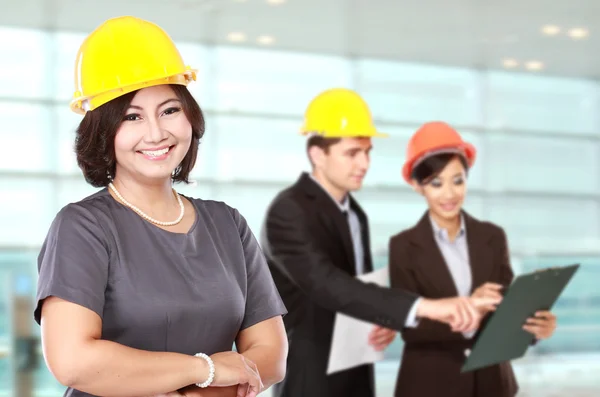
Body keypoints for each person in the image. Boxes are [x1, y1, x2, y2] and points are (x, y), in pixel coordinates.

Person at [33, 16, 288, 397]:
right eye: (132, 117)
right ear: (103, 133)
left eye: (169, 110)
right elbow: (73, 361)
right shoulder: (83, 226)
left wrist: (194, 394)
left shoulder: (227, 223)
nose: (156, 133)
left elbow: (271, 356)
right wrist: (207, 369)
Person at [259, 88, 500, 397]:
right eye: (352, 153)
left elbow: (360, 287)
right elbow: (330, 285)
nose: (364, 163)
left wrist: (381, 319)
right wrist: (425, 307)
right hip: (311, 376)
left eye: (368, 151)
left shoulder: (355, 213)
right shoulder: (288, 211)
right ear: (317, 154)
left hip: (358, 368)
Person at [388, 121, 558, 397]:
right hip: (430, 385)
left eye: (458, 180)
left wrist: (535, 329)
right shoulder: (403, 246)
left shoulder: (492, 237)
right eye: (436, 183)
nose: (450, 194)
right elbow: (411, 327)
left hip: (492, 384)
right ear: (418, 186)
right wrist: (471, 308)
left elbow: (506, 312)